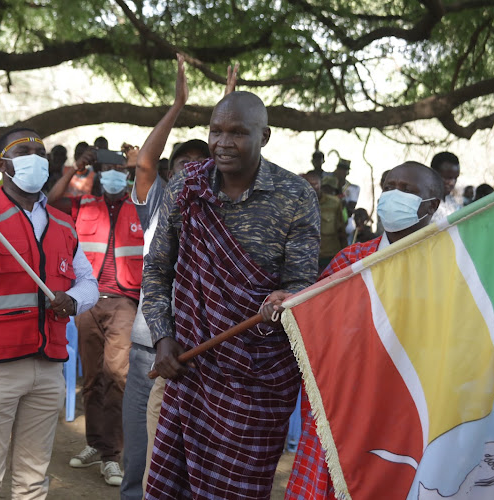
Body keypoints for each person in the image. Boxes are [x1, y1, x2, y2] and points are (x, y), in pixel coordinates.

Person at [143, 90, 321, 499]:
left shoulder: (294, 196)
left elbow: (300, 285)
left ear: (266, 136)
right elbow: (156, 268)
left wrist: (284, 300)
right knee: (173, 484)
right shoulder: (186, 187)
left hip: (257, 380)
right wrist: (162, 336)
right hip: (187, 369)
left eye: (237, 132)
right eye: (216, 131)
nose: (223, 143)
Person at [0, 128, 99, 499]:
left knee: (33, 479)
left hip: (48, 365)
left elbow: (89, 283)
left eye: (40, 151)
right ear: (3, 165)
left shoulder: (64, 223)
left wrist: (73, 300)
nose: (35, 157)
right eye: (24, 151)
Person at [283, 161, 443, 500]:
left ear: (432, 206)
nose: (393, 196)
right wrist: (289, 305)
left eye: (407, 190)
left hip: (410, 417)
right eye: (389, 187)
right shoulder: (351, 261)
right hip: (349, 408)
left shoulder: (450, 270)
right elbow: (314, 322)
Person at [120, 53, 212, 500]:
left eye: (201, 162)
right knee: (141, 457)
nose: (191, 170)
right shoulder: (158, 200)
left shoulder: (219, 207)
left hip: (204, 346)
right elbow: (146, 162)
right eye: (183, 164)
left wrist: (228, 102)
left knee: (192, 458)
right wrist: (178, 104)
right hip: (148, 346)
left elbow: (234, 144)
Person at [49, 149, 145, 487]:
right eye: (109, 169)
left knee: (117, 376)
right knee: (92, 379)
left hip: (123, 301)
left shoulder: (140, 208)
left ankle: (111, 456)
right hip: (88, 300)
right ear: (99, 174)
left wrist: (139, 163)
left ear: (129, 173)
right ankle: (96, 444)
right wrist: (76, 169)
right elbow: (50, 200)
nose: (115, 174)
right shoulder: (83, 206)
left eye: (122, 169)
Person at [303, 170, 347, 272]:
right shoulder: (297, 203)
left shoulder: (334, 203)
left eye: (315, 184)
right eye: (309, 184)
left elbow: (342, 231)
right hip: (306, 258)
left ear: (320, 184)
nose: (312, 187)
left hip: (329, 257)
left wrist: (344, 257)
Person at [430, 151, 462, 222]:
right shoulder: (424, 204)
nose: (452, 183)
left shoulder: (453, 203)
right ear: (433, 174)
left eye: (455, 178)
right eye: (448, 178)